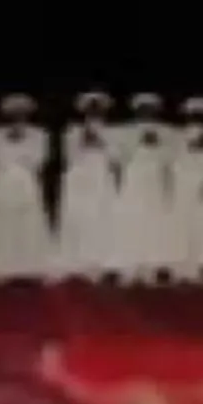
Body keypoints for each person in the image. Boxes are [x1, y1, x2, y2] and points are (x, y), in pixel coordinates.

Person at [56, 91, 122, 281]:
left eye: (97, 108)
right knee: (79, 216)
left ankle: (103, 262)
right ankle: (78, 262)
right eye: (90, 108)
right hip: (79, 177)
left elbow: (116, 158)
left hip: (101, 176)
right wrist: (84, 138)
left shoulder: (112, 132)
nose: (94, 111)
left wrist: (100, 141)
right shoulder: (72, 131)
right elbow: (68, 156)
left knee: (103, 217)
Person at [114, 93, 178, 284]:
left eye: (151, 109)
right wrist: (139, 142)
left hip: (157, 181)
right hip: (133, 180)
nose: (147, 113)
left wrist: (158, 145)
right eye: (143, 109)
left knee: (157, 223)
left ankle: (157, 266)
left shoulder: (168, 132)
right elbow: (118, 157)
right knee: (133, 222)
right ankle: (131, 267)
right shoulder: (124, 131)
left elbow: (173, 157)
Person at [0, 93, 52, 279]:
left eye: (22, 112)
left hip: (26, 182)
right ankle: (5, 263)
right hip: (4, 181)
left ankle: (29, 264)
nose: (18, 115)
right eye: (14, 112)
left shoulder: (39, 134)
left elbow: (39, 160)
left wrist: (21, 140)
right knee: (4, 221)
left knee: (28, 221)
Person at [169, 97, 203, 284]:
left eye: (202, 114)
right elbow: (172, 161)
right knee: (184, 226)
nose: (198, 118)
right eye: (194, 114)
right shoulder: (176, 136)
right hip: (184, 185)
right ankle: (183, 268)